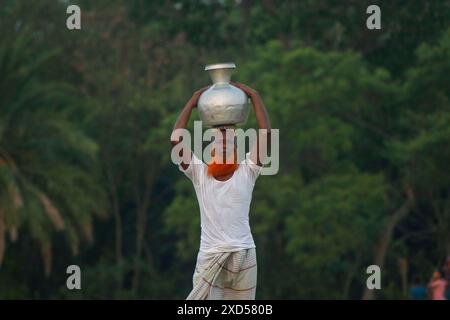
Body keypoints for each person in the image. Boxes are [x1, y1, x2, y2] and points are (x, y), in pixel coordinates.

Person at [170, 82, 271, 300]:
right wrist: (193, 100)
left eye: (229, 142)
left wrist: (254, 95)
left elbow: (266, 133)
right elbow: (175, 140)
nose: (224, 145)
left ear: (236, 151)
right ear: (211, 152)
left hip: (242, 255)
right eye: (219, 142)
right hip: (216, 256)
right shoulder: (200, 174)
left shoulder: (247, 170)